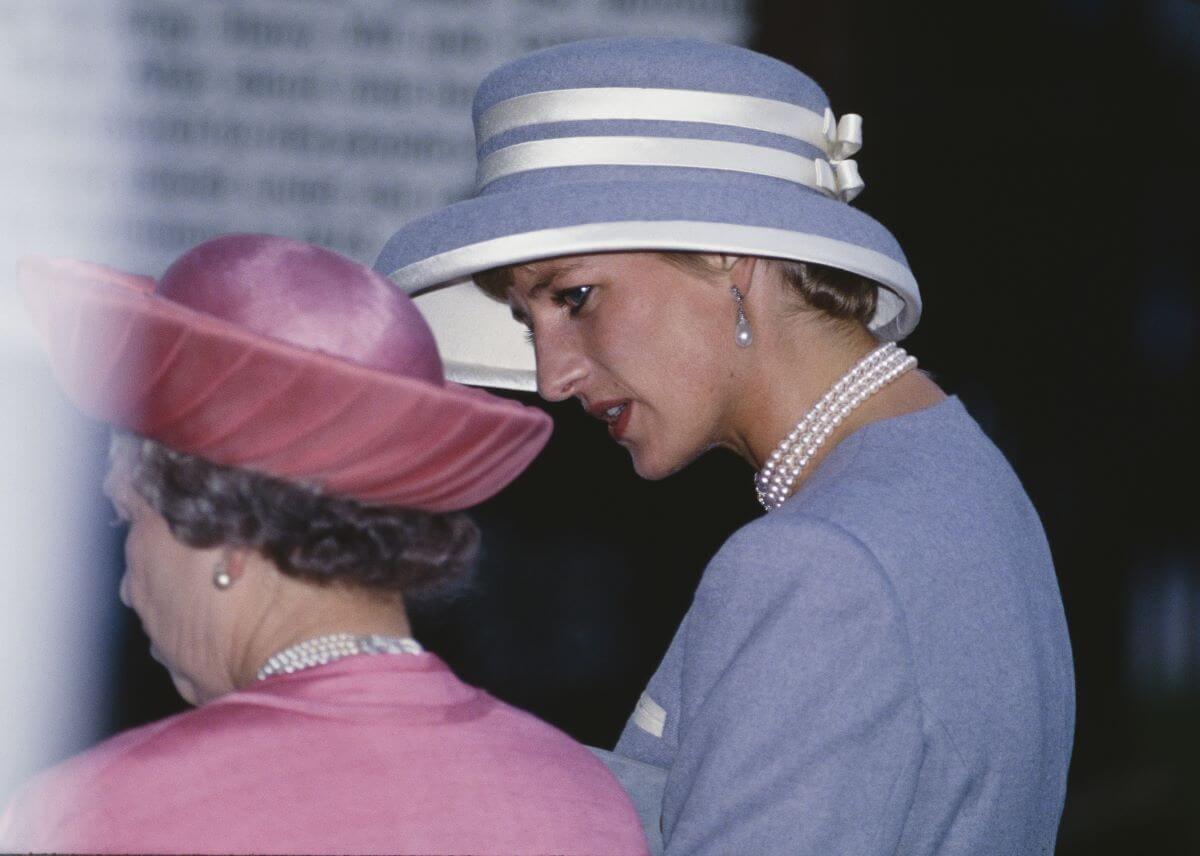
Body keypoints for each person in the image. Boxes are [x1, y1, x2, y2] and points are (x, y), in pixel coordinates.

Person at [373, 37, 1076, 855]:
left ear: (723, 252)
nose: (553, 375)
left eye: (575, 296)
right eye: (532, 321)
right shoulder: (957, 473)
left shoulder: (817, 567)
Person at [0, 234, 650, 855]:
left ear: (229, 532)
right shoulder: (583, 800)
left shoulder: (98, 815)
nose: (125, 584)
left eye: (127, 519)